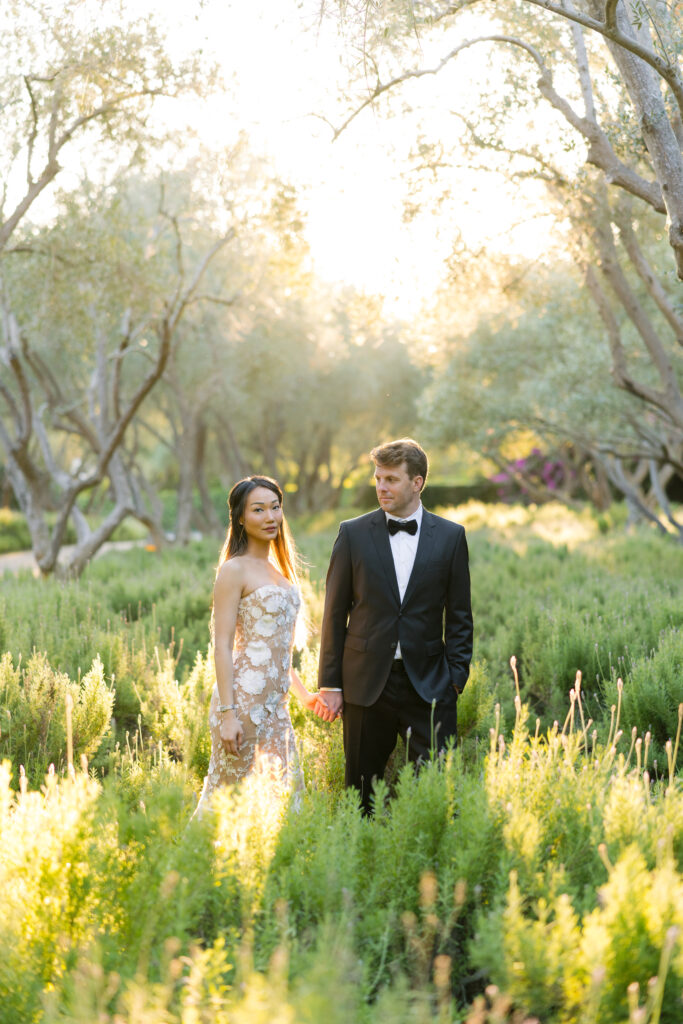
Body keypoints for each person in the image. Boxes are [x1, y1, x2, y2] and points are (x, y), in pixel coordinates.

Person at [317, 438, 473, 815]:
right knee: (360, 797)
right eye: (378, 478)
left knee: (434, 796)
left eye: (391, 479)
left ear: (417, 482)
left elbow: (459, 615)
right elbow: (334, 613)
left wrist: (455, 679)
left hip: (430, 684)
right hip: (366, 685)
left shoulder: (451, 536)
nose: (381, 487)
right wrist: (330, 684)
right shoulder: (352, 534)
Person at [194, 475, 323, 814]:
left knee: (286, 803)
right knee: (227, 805)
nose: (270, 517)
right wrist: (228, 715)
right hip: (242, 705)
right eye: (258, 510)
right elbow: (222, 646)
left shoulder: (280, 572)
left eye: (275, 508)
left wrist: (305, 696)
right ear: (240, 518)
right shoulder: (233, 570)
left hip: (277, 710)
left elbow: (274, 652)